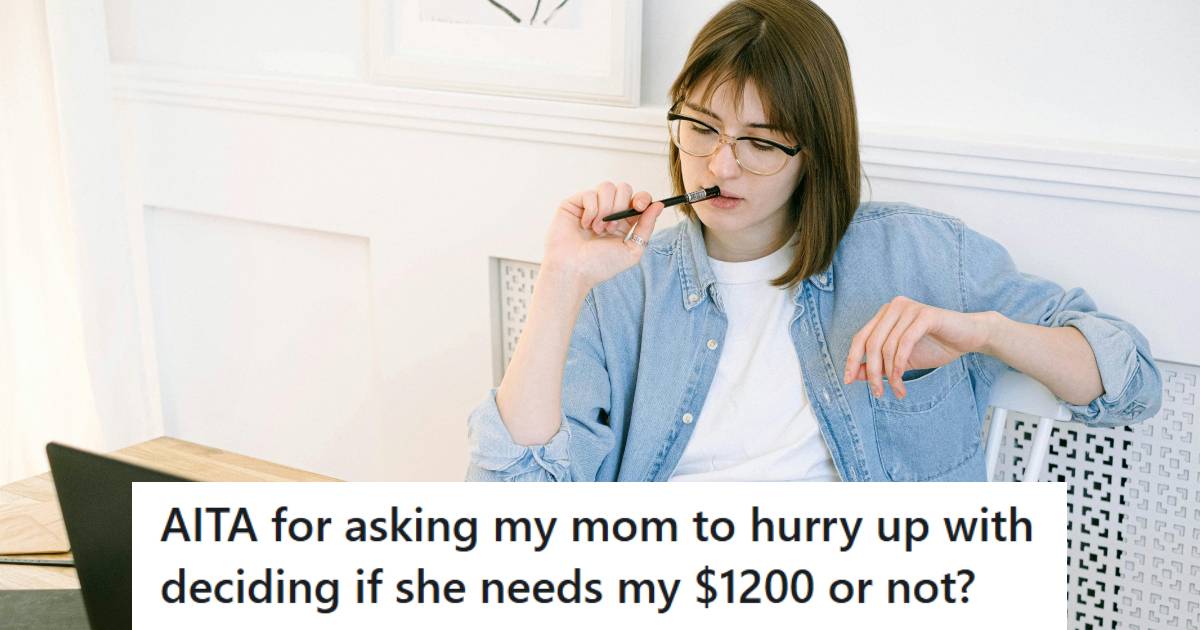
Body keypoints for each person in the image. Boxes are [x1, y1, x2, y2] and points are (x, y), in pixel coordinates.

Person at [465, 0, 1162, 482]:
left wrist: (984, 334)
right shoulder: (624, 284)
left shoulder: (918, 254)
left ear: (815, 152)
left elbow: (1131, 379)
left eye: (762, 142)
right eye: (701, 129)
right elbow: (511, 506)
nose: (721, 166)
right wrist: (560, 280)